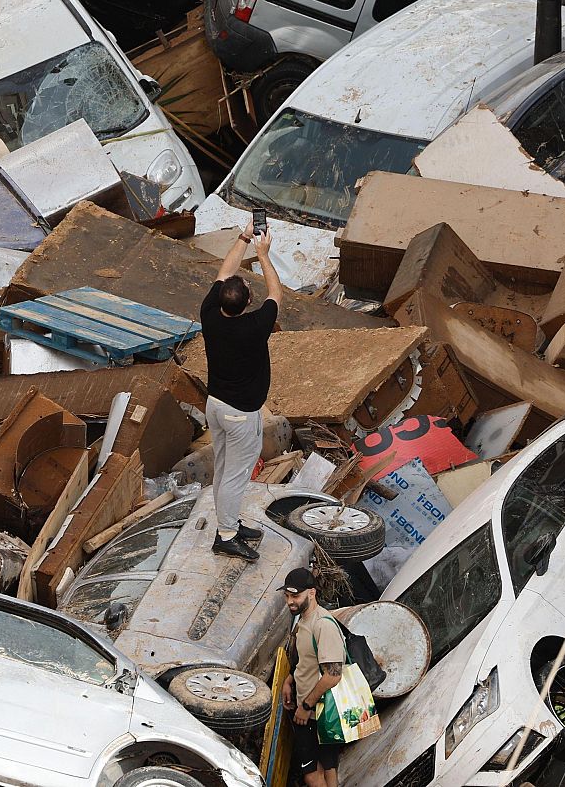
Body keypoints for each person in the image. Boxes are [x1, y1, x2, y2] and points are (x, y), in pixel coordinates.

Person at [200, 221, 282, 561]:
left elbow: (224, 270)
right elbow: (277, 294)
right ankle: (227, 534)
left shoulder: (209, 313)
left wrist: (245, 238)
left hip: (215, 405)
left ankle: (227, 522)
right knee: (235, 475)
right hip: (240, 414)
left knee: (222, 468)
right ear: (248, 302)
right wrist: (263, 255)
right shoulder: (253, 326)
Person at [281, 567, 345, 787]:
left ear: (311, 593)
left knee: (311, 773)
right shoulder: (303, 620)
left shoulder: (322, 625)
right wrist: (290, 679)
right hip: (311, 709)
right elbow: (306, 659)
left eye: (295, 596)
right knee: (327, 768)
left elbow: (333, 675)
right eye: (287, 596)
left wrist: (305, 706)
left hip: (318, 712)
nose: (290, 601)